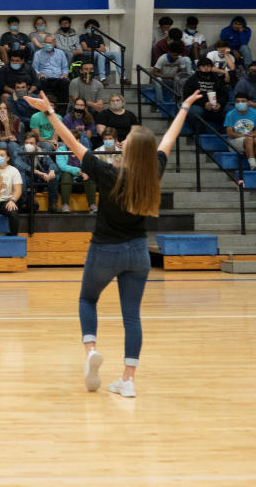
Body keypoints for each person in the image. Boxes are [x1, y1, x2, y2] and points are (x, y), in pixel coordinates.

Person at [24, 90, 196, 398]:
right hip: (138, 253)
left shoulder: (107, 173)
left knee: (87, 299)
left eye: (126, 141)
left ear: (130, 150)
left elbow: (73, 143)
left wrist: (50, 111)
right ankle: (128, 380)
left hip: (105, 249)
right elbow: (169, 138)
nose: (122, 141)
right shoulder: (153, 171)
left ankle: (91, 350)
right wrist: (183, 108)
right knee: (132, 316)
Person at [183, 57, 230, 129]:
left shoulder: (217, 79)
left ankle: (226, 133)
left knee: (230, 109)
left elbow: (224, 95)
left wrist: (220, 103)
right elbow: (188, 97)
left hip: (216, 105)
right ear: (198, 68)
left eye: (208, 66)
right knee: (194, 111)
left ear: (211, 67)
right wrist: (204, 104)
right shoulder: (192, 80)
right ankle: (200, 135)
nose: (206, 68)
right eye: (203, 66)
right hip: (200, 106)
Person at [56, 139, 97, 215]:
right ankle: (65, 205)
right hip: (65, 181)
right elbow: (62, 166)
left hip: (80, 180)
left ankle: (92, 205)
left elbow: (88, 164)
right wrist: (79, 171)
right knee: (66, 174)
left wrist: (84, 171)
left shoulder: (83, 149)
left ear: (78, 140)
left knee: (90, 175)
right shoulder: (60, 150)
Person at [80, 19, 122, 84]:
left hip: (99, 54)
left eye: (93, 27)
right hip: (88, 55)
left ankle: (123, 77)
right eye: (90, 26)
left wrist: (94, 49)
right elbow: (85, 48)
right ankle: (102, 78)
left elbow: (103, 49)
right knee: (101, 54)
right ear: (86, 27)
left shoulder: (99, 37)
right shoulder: (82, 36)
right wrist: (97, 49)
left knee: (116, 54)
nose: (91, 28)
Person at [33, 33, 71, 100]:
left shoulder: (60, 53)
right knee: (42, 81)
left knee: (65, 81)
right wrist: (39, 74)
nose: (48, 45)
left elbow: (65, 67)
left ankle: (62, 108)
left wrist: (65, 74)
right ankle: (45, 107)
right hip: (45, 78)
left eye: (50, 43)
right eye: (46, 43)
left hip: (59, 78)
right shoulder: (38, 53)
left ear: (54, 43)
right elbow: (35, 68)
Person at [223, 93, 256, 171]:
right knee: (249, 139)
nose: (240, 103)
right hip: (234, 142)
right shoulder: (230, 114)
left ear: (248, 102)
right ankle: (252, 164)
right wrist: (245, 136)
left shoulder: (254, 113)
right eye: (237, 101)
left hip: (250, 138)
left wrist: (254, 134)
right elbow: (229, 133)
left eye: (243, 101)